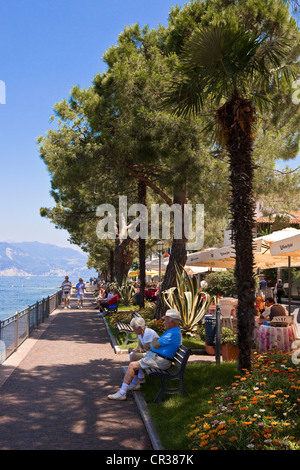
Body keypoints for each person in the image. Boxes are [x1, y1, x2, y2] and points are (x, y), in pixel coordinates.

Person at [107, 309, 182, 401]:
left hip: (161, 360)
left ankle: (122, 393)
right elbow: (155, 343)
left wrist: (155, 342)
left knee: (132, 365)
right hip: (157, 356)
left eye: (165, 320)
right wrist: (155, 342)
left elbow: (154, 344)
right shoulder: (172, 331)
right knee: (134, 357)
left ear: (172, 321)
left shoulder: (172, 333)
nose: (164, 322)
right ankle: (135, 383)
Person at [127, 316, 159, 387]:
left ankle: (135, 381)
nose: (133, 330)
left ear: (140, 327)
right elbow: (140, 345)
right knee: (132, 354)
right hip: (149, 353)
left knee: (133, 355)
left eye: (134, 328)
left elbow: (145, 349)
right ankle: (140, 377)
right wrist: (138, 348)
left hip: (155, 355)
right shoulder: (141, 332)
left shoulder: (148, 333)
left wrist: (135, 350)